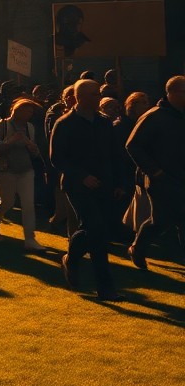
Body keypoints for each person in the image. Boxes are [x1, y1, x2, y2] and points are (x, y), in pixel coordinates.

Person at [50, 79, 124, 300]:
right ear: (81, 97)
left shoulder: (104, 123)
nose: (97, 98)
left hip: (105, 184)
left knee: (96, 230)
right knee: (96, 229)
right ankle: (106, 287)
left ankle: (71, 260)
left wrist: (120, 182)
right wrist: (82, 176)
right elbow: (57, 158)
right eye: (93, 94)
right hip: (77, 185)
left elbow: (115, 155)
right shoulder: (64, 123)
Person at [126, 76, 185, 270]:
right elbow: (133, 145)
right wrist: (154, 171)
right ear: (173, 93)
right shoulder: (155, 116)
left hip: (179, 177)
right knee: (160, 221)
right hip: (162, 180)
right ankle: (138, 247)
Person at [0, 99, 49, 252]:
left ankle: (30, 239)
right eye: (27, 111)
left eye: (31, 112)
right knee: (7, 202)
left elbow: (35, 152)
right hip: (4, 169)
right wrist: (9, 141)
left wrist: (30, 145)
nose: (30, 114)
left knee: (28, 204)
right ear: (17, 110)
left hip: (25, 170)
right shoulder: (2, 125)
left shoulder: (30, 127)